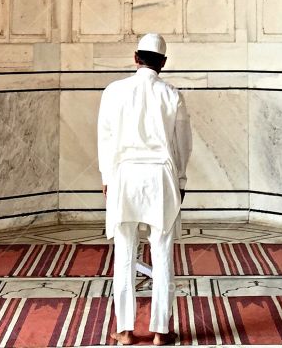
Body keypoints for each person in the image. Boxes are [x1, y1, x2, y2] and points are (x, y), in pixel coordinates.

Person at [97, 33, 192, 346]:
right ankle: (160, 331)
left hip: (124, 176)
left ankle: (125, 331)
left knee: (124, 253)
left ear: (136, 58)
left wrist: (106, 178)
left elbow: (106, 138)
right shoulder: (172, 94)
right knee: (162, 253)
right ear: (162, 64)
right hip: (160, 178)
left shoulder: (114, 91)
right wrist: (180, 182)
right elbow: (182, 146)